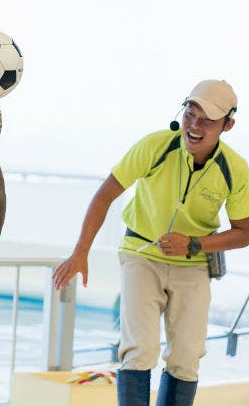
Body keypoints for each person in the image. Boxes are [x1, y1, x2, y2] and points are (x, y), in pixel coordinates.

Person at [52, 79, 249, 406]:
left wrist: (194, 244)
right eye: (190, 112)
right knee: (139, 349)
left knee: (186, 356)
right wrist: (80, 252)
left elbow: (245, 231)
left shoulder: (235, 170)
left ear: (228, 124)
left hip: (194, 264)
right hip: (140, 255)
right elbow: (105, 195)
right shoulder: (156, 146)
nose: (194, 126)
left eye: (207, 120)